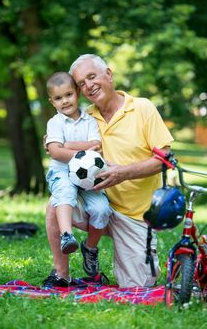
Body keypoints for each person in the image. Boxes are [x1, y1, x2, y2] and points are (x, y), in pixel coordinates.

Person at [43, 54, 174, 288]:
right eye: (81, 83)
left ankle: (92, 251)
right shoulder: (84, 116)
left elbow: (163, 161)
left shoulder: (142, 108)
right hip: (96, 201)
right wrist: (54, 145)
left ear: (109, 75)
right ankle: (61, 274)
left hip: (135, 216)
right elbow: (57, 141)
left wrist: (122, 173)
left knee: (138, 286)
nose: (89, 86)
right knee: (57, 203)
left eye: (92, 77)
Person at [45, 71, 112, 278]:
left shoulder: (89, 121)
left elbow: (96, 146)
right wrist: (83, 151)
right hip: (61, 173)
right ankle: (67, 235)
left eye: (68, 95)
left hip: (88, 176)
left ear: (77, 93)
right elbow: (55, 153)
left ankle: (90, 248)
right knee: (65, 192)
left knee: (102, 209)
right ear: (51, 101)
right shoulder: (54, 123)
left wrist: (66, 145)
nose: (64, 101)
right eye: (58, 98)